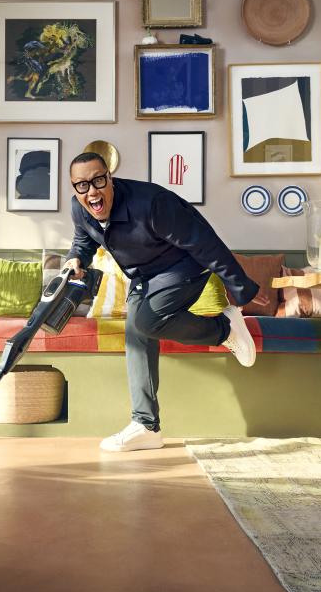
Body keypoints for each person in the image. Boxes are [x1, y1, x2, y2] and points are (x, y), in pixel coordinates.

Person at [63, 152, 269, 452]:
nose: (92, 191)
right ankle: (146, 427)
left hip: (183, 265)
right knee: (137, 335)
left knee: (146, 321)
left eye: (98, 180)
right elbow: (84, 240)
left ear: (110, 178)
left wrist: (240, 287)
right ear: (74, 188)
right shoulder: (80, 209)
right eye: (82, 185)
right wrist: (75, 259)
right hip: (143, 275)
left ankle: (225, 328)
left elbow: (205, 242)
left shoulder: (152, 203)